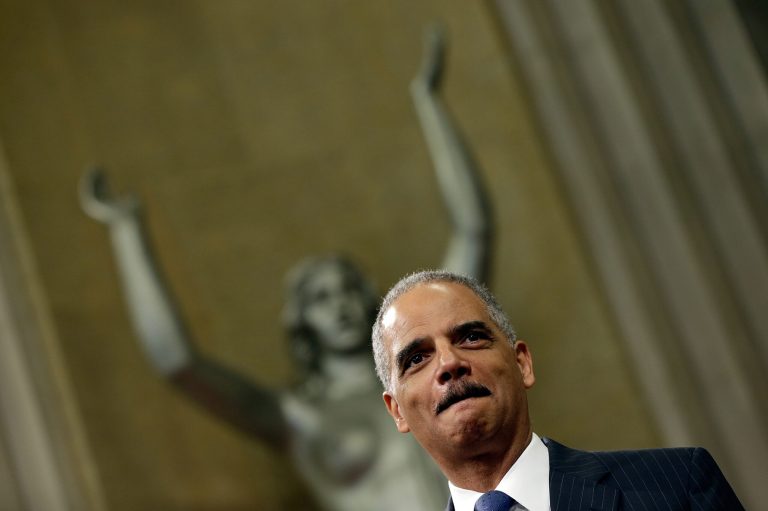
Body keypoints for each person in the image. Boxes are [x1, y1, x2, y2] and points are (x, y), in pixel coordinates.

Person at [79, 26, 492, 511]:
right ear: (303, 322)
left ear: (370, 301)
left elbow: (473, 231)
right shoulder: (298, 416)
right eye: (320, 298)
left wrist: (429, 104)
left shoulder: (430, 372)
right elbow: (176, 361)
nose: (338, 305)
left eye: (346, 289)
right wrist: (127, 230)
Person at [372, 270, 744, 511]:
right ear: (397, 412)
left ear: (522, 364)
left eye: (470, 337)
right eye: (417, 358)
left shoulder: (677, 485)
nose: (449, 363)